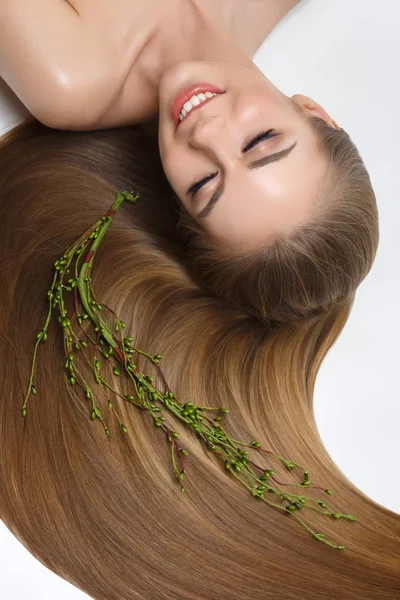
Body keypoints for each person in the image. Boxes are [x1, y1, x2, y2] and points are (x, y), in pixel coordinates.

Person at [0, 1, 399, 599]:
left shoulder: (72, 79)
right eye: (261, 142)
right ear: (315, 113)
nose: (208, 131)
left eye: (203, 185)